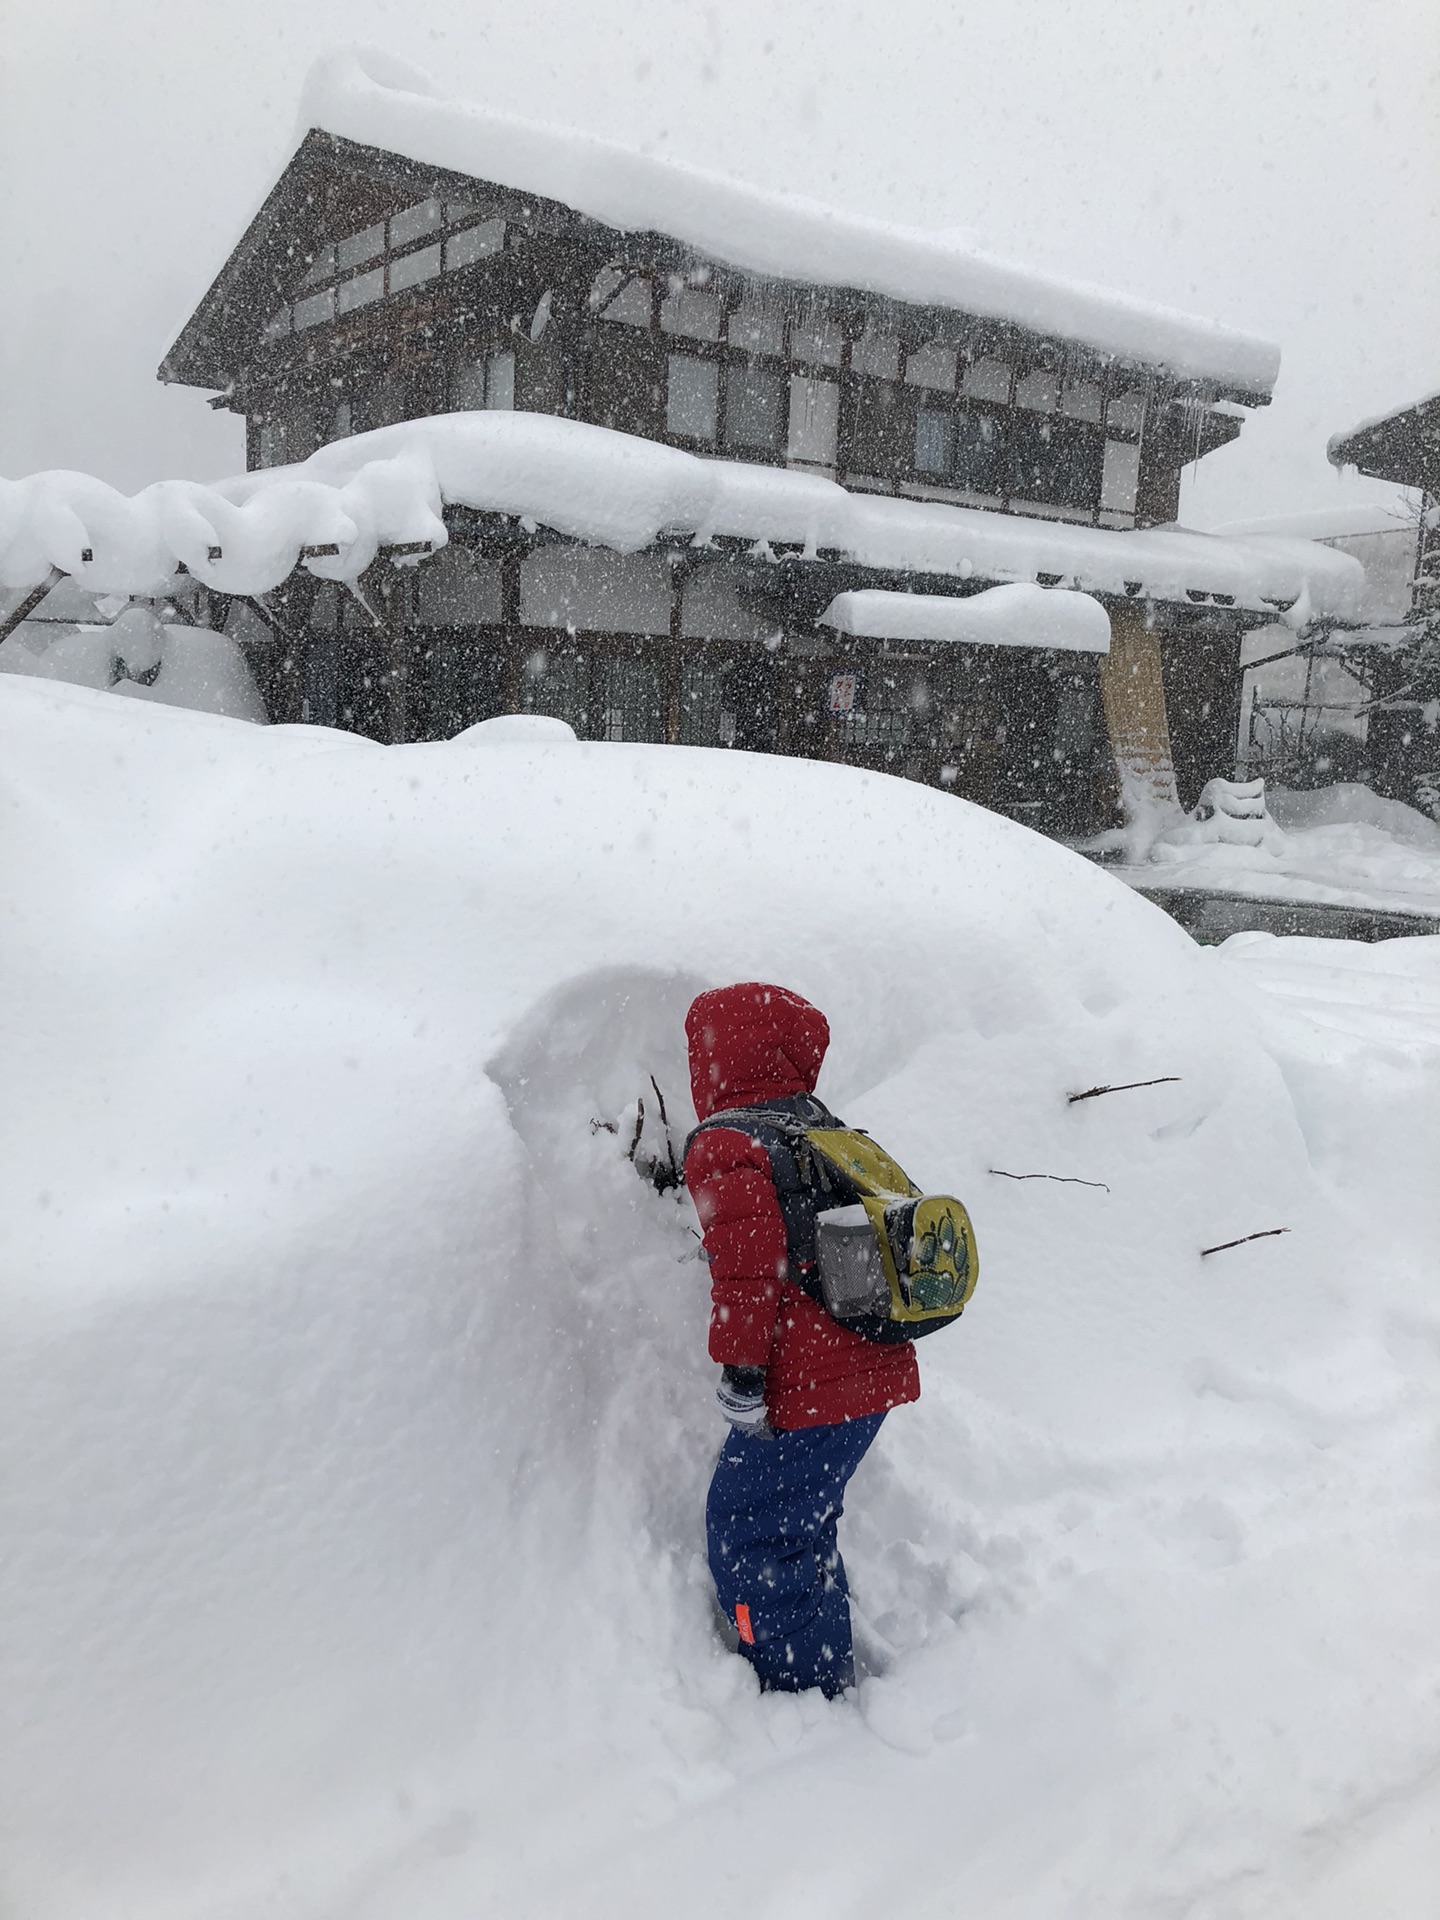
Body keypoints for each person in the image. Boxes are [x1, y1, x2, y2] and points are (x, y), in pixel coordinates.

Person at [683, 981, 920, 1698]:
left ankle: (805, 1690)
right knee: (800, 1523)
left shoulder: (726, 1142)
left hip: (810, 1387)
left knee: (749, 1531)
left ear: (715, 1058)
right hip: (874, 1367)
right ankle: (822, 1653)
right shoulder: (824, 1129)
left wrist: (743, 1376)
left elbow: (748, 1272)